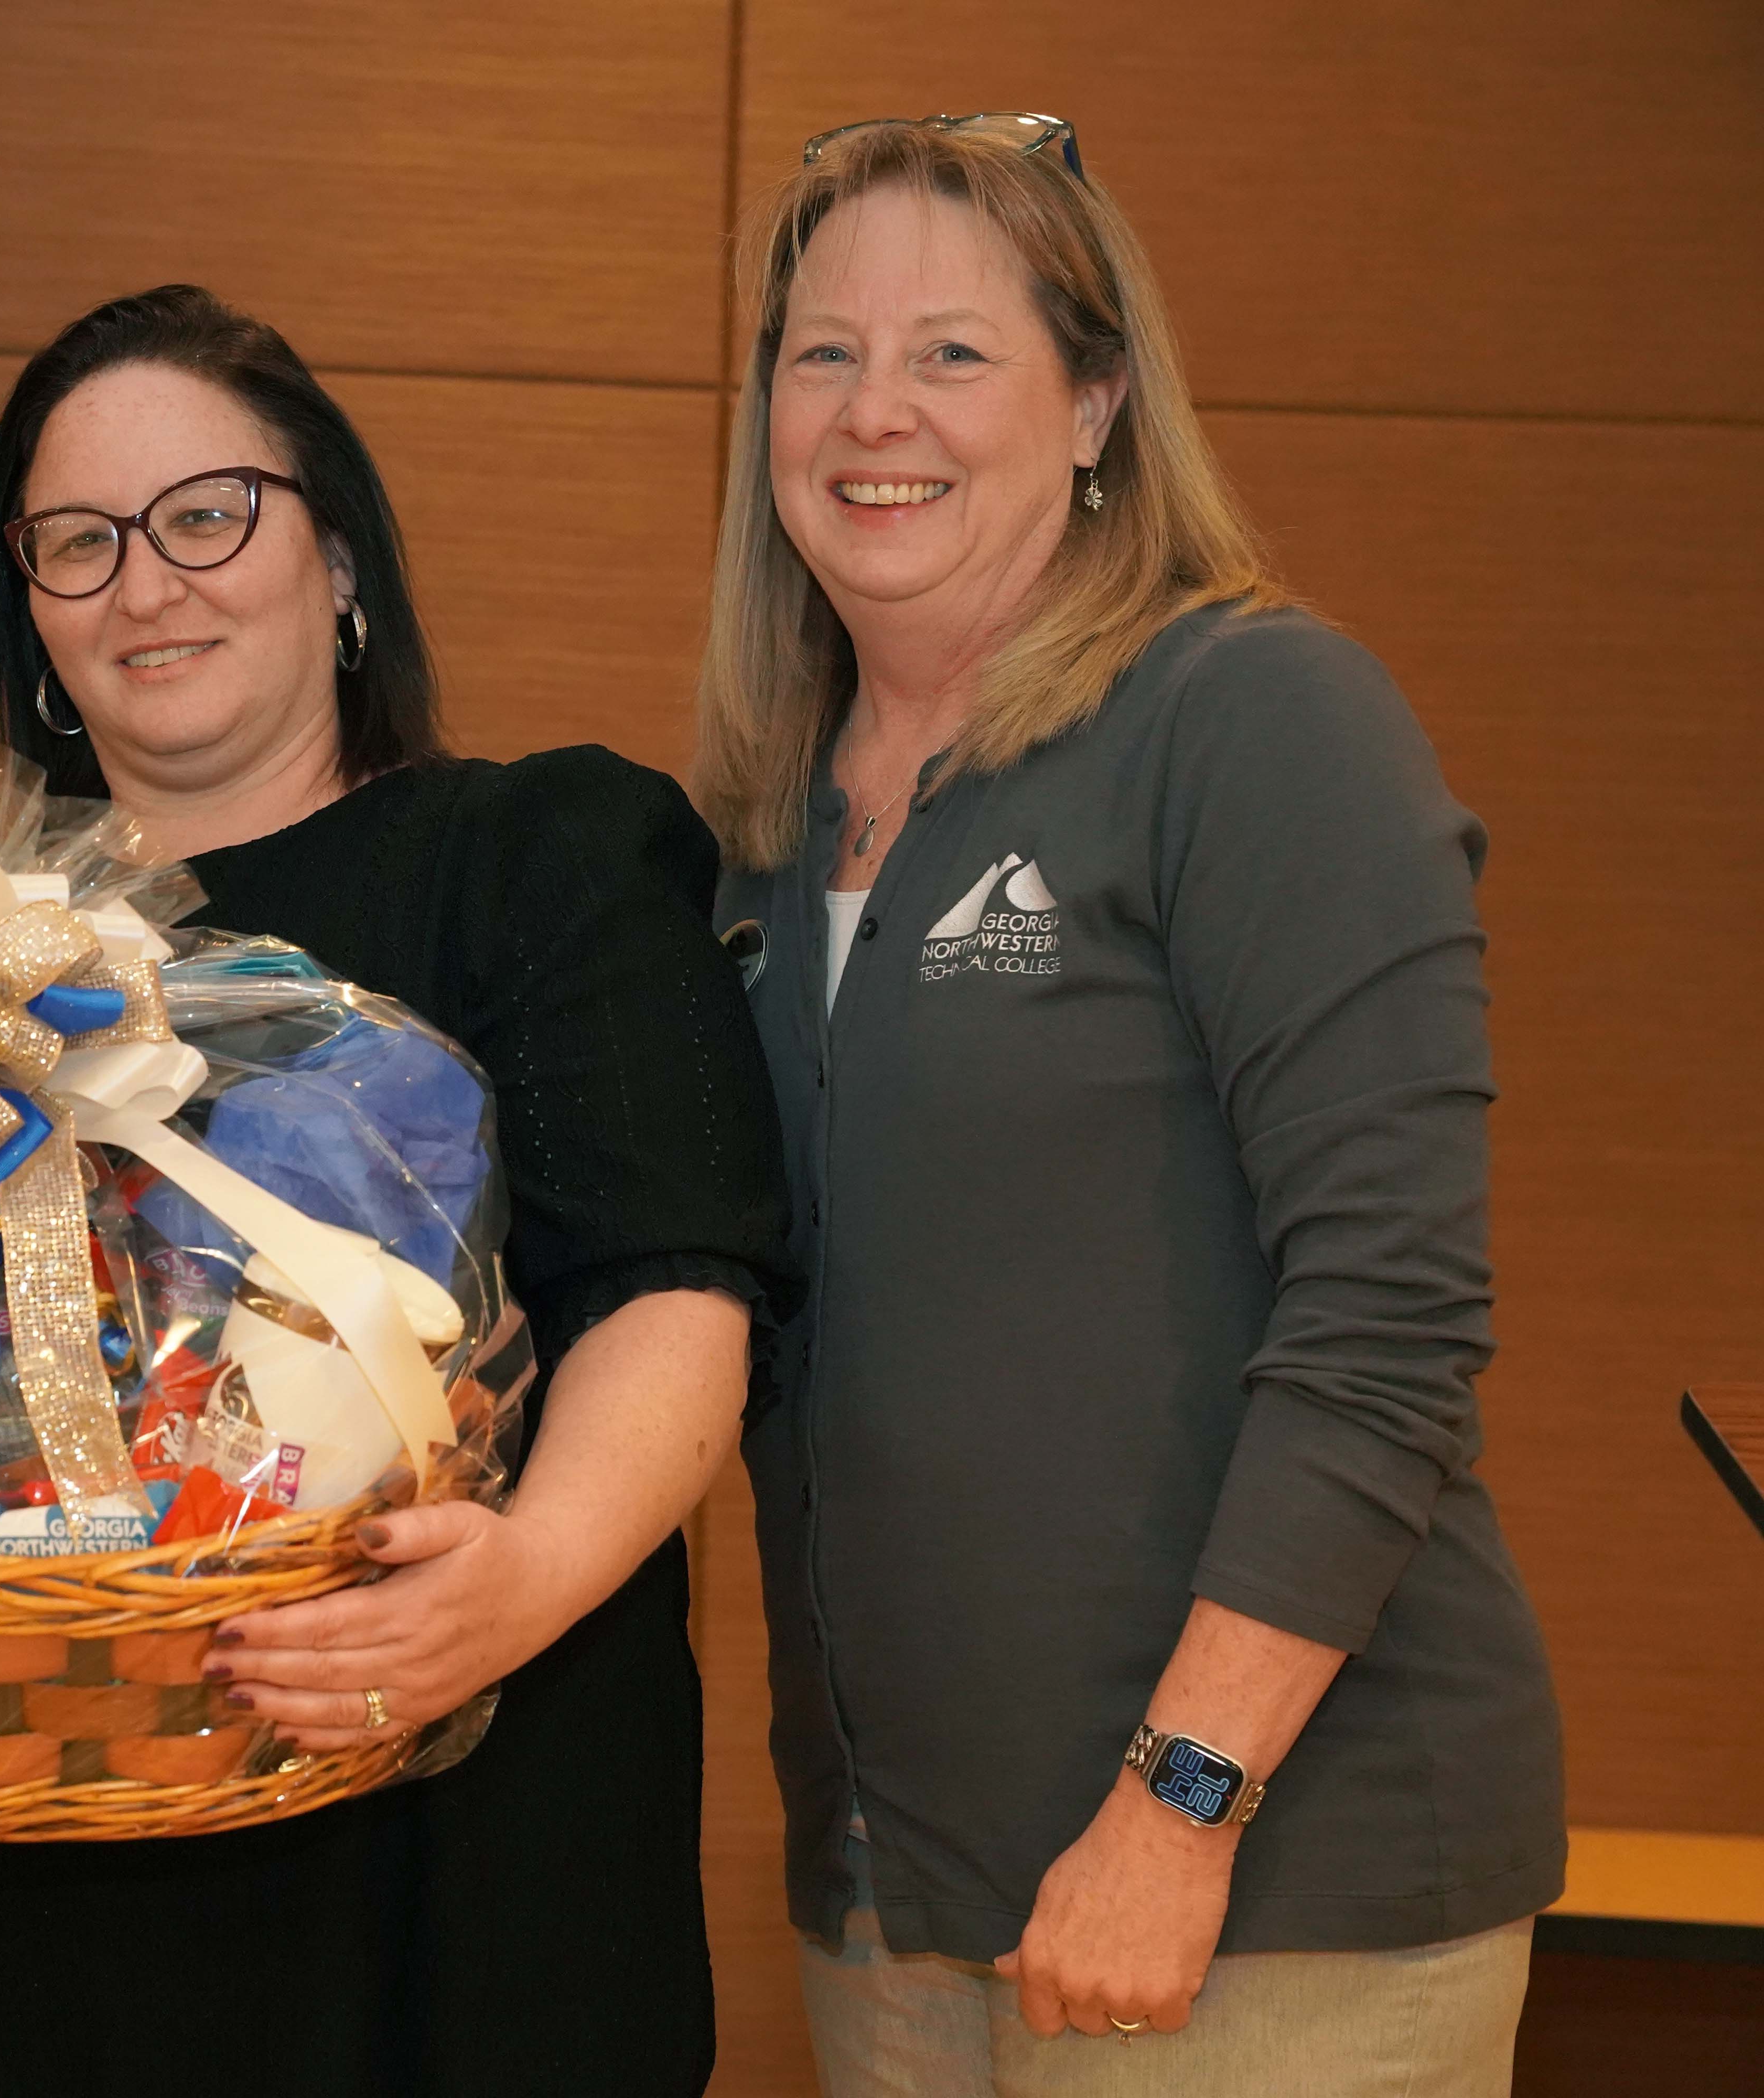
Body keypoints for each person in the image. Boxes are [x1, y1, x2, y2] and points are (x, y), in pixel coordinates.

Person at [0, 279, 792, 2096]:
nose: (148, 581)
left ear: (340, 558)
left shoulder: (536, 861)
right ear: (34, 626)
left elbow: (684, 1291)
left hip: (432, 1868)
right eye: (78, 544)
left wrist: (517, 1588)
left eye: (211, 514)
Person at [696, 114, 1565, 2094]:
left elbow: (1391, 1319)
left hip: (1262, 1903)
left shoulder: (1251, 720)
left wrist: (1181, 1808)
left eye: (953, 353)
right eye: (820, 353)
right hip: (898, 1905)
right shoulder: (765, 830)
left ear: (1097, 401)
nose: (872, 411)